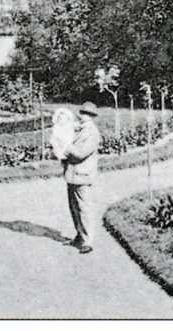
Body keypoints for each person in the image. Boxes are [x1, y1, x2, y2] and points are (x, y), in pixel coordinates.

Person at [62, 101, 101, 254]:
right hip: (72, 174)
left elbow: (81, 153)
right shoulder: (80, 130)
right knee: (74, 207)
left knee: (84, 208)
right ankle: (80, 235)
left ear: (91, 116)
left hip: (82, 174)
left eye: (86, 114)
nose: (82, 116)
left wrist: (66, 146)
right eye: (82, 113)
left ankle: (88, 240)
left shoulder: (92, 133)